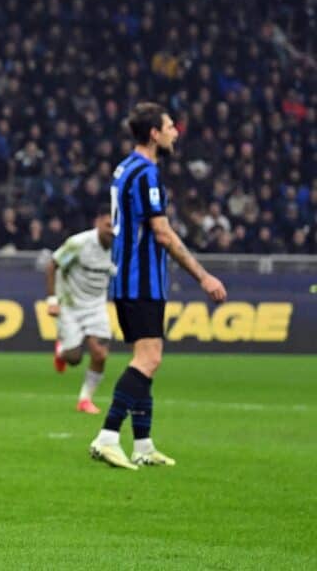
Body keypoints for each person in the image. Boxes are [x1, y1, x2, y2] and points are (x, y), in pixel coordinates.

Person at [89, 102, 227, 470]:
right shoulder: (146, 173)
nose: (175, 132)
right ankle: (107, 437)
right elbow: (162, 233)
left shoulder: (123, 168)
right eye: (170, 126)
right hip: (142, 281)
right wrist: (204, 276)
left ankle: (144, 444)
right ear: (154, 133)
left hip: (128, 279)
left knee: (146, 359)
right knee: (148, 359)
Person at [46, 204, 115, 414]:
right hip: (70, 305)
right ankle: (62, 350)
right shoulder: (79, 243)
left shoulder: (120, 248)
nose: (112, 231)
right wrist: (52, 299)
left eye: (115, 227)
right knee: (74, 358)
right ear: (98, 223)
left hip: (96, 306)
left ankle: (85, 399)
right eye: (108, 225)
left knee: (100, 354)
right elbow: (52, 265)